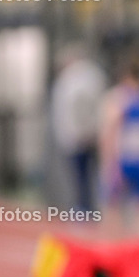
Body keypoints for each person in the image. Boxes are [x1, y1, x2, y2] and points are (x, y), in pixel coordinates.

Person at [100, 58, 139, 233]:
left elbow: (109, 131)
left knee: (115, 205)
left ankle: (112, 242)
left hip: (126, 157)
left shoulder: (120, 97)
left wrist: (108, 160)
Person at [51, 45, 105, 213]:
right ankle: (86, 206)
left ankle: (84, 208)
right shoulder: (90, 75)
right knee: (85, 176)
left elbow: (79, 106)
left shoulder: (75, 79)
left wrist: (83, 130)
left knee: (81, 176)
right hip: (83, 133)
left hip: (80, 135)